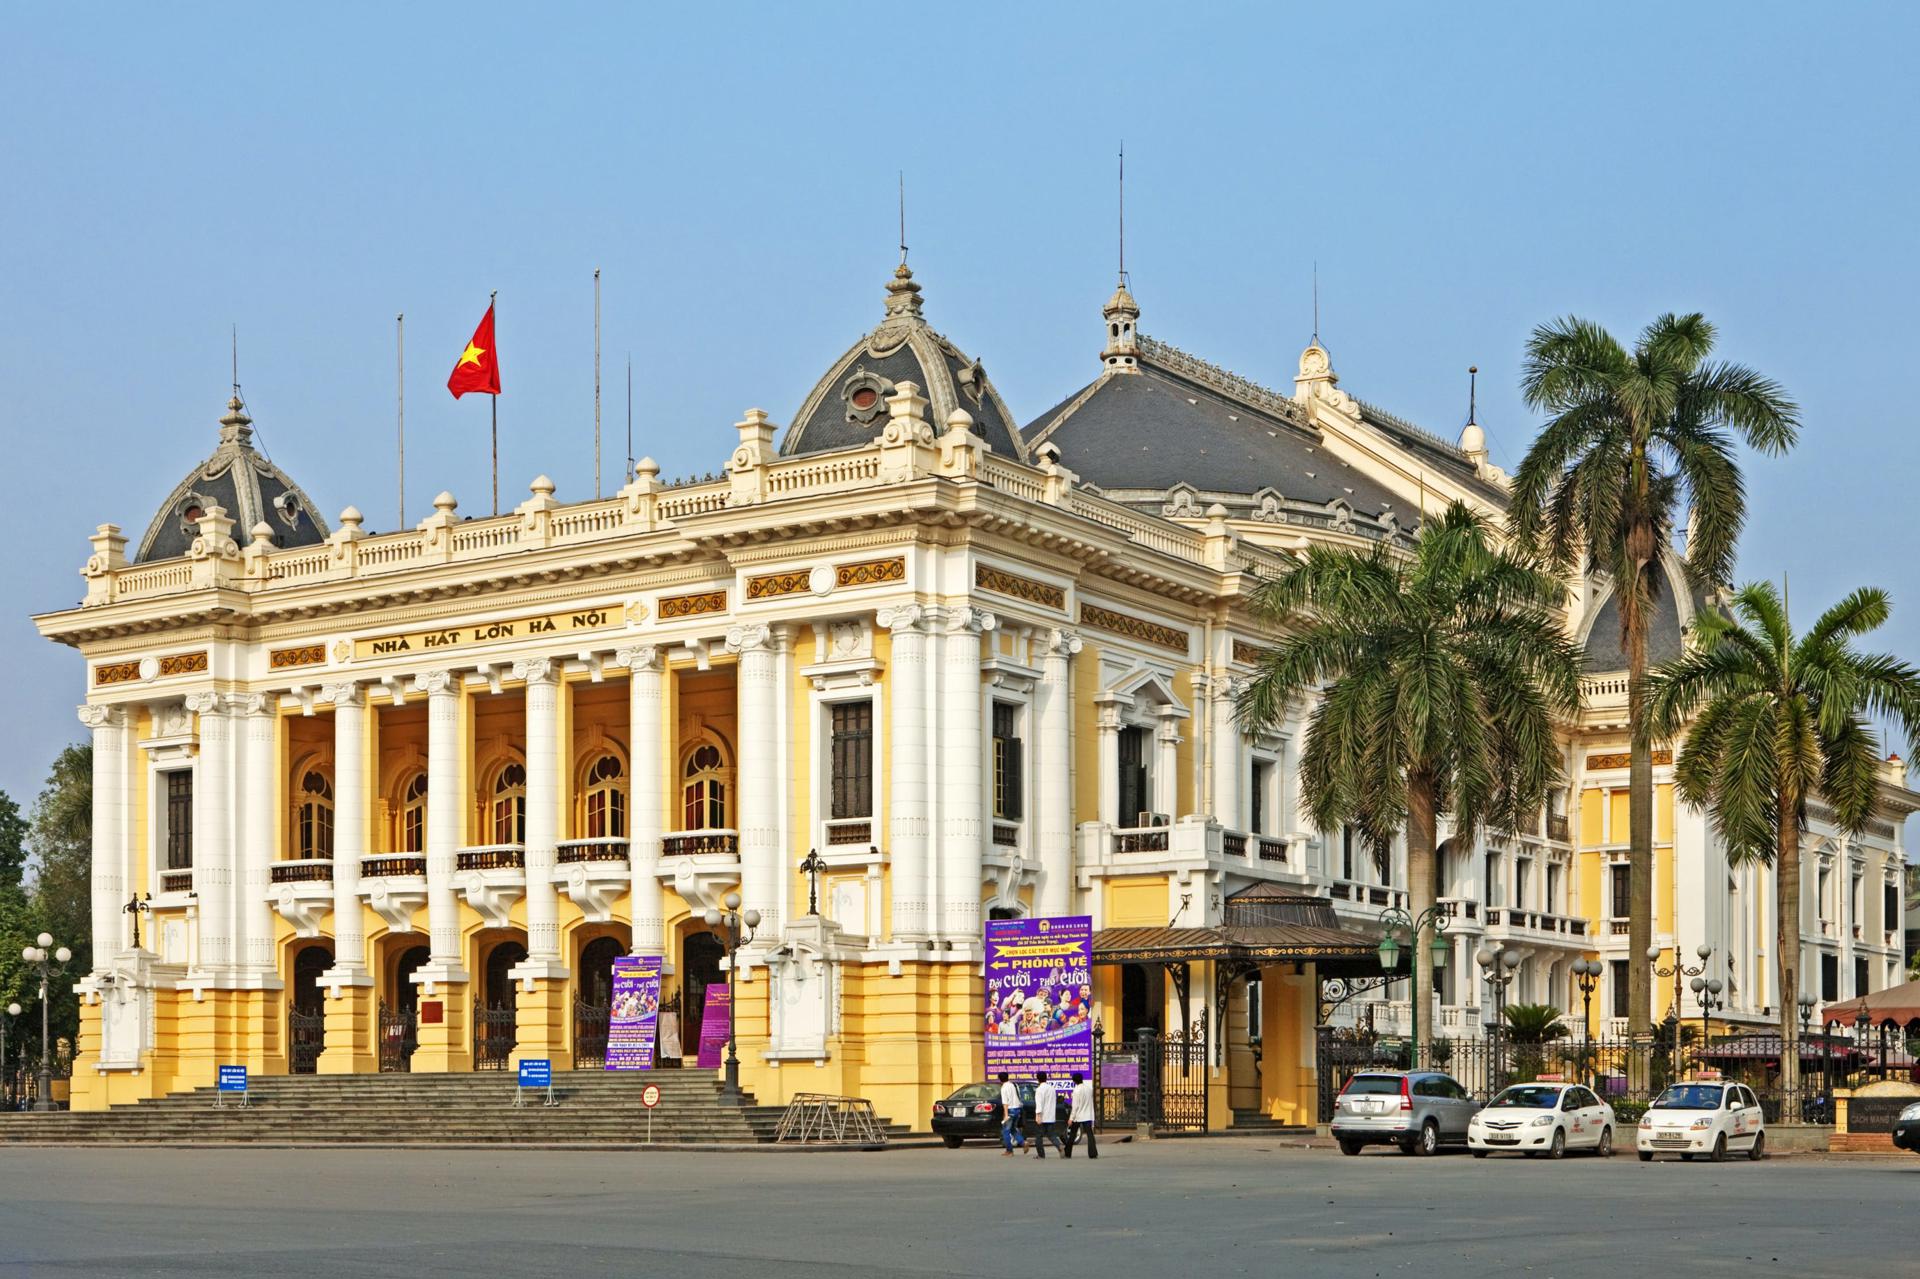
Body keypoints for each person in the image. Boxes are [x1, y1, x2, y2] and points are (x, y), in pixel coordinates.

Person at [1031, 1073, 1066, 1159]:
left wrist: (1038, 1115)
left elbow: (1039, 1104)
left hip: (1042, 1116)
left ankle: (1041, 1154)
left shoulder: (1039, 1090)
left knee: (1039, 1136)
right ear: (1046, 1078)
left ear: (1038, 1079)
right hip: (1050, 1116)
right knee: (1051, 1134)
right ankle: (1059, 1146)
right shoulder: (1051, 1089)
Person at [1064, 1071, 1097, 1159]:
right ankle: (1093, 1153)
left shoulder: (1076, 1091)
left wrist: (1071, 1118)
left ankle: (1067, 1153)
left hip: (1078, 1116)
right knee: (1090, 1135)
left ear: (1074, 1081)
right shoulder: (1089, 1089)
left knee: (1072, 1134)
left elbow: (1075, 1106)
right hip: (1087, 1115)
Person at [998, 1073, 1024, 1155]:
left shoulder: (1003, 1088)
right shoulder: (1012, 1085)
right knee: (1013, 1129)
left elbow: (1005, 1103)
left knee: (1005, 1131)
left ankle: (1009, 1150)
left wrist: (1006, 1115)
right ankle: (1023, 1142)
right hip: (1017, 1109)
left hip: (1010, 1111)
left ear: (1000, 1079)